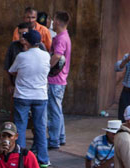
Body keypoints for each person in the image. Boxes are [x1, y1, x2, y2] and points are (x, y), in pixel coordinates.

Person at [9, 30, 51, 167]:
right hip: (40, 96)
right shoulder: (46, 56)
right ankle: (43, 159)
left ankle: (20, 158)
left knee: (20, 127)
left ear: (27, 42)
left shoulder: (21, 56)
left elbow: (12, 71)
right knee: (40, 127)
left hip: (22, 96)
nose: (23, 42)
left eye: (24, 40)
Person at [47, 11, 71, 151]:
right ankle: (60, 136)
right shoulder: (63, 36)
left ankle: (54, 139)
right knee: (57, 109)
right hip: (59, 79)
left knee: (54, 110)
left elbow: (57, 55)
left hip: (55, 79)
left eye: (53, 20)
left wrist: (46, 67)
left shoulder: (61, 38)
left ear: (56, 21)